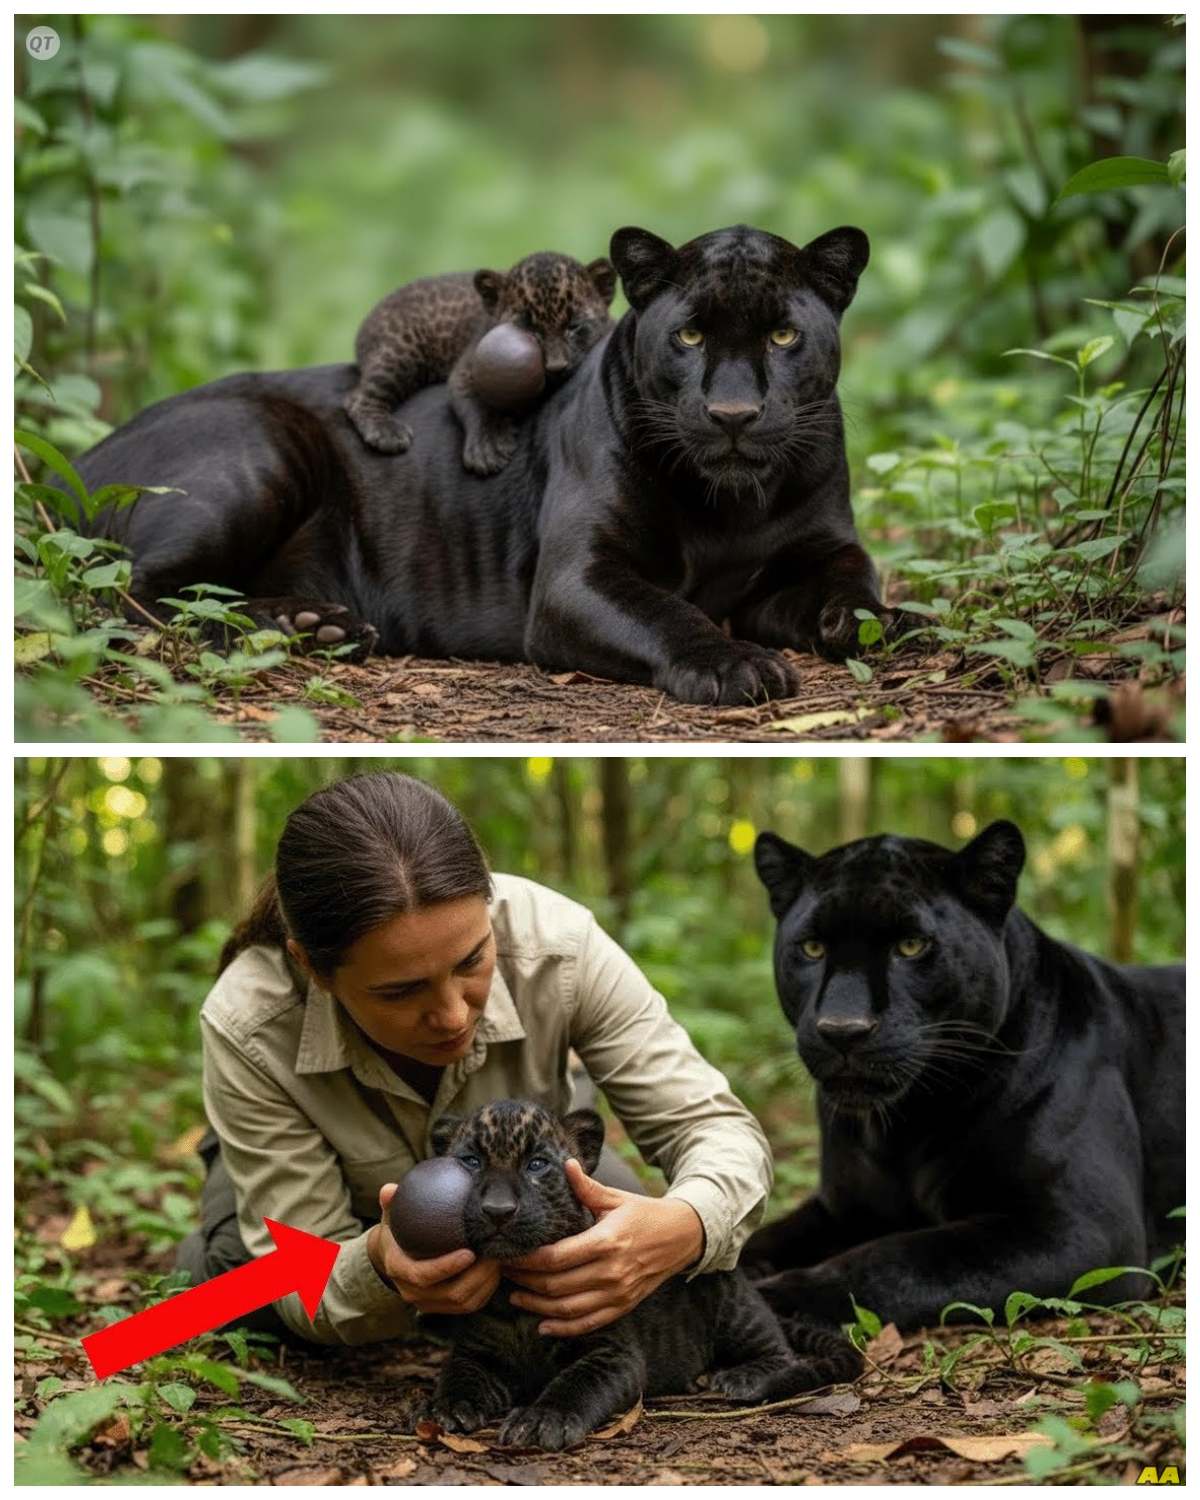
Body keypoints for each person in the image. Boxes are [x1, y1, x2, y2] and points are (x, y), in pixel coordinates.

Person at [176, 770, 773, 1349]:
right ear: (312, 968)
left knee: (614, 1245)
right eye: (400, 991)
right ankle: (194, 1274)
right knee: (231, 1296)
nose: (454, 1015)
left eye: (471, 962)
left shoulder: (559, 945)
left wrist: (687, 1225)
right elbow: (303, 1275)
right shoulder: (248, 1020)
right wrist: (383, 1265)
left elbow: (712, 1128)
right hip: (330, 1215)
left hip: (520, 1183)